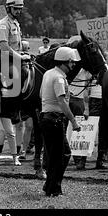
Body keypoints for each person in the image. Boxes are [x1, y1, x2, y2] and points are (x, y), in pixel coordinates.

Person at [39, 47, 81, 197]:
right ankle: (53, 188)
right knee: (61, 155)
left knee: (55, 155)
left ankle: (50, 186)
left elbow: (41, 94)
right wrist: (74, 121)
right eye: (71, 62)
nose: (73, 65)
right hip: (55, 119)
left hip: (46, 117)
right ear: (65, 62)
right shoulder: (59, 78)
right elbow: (62, 102)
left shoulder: (48, 73)